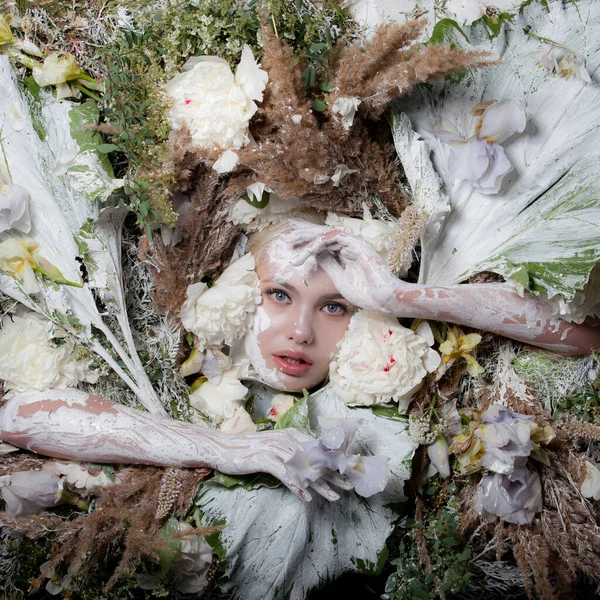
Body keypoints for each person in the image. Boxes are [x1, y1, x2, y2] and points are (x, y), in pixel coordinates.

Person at [0, 218, 598, 503]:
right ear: (240, 288)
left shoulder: (388, 388)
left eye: (336, 307)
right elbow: (19, 413)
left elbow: (583, 338)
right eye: (280, 296)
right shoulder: (181, 361)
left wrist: (401, 296)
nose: (301, 332)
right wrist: (228, 448)